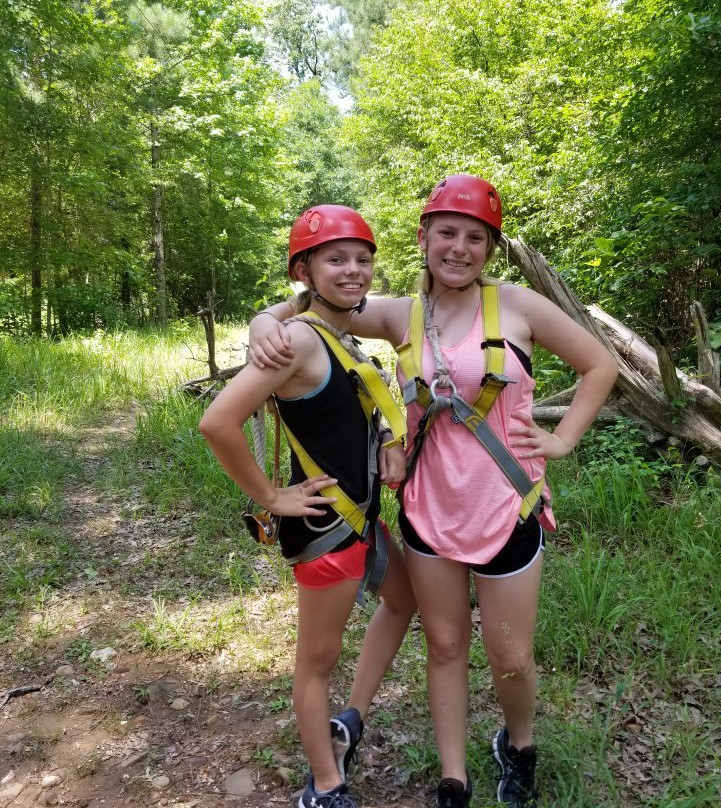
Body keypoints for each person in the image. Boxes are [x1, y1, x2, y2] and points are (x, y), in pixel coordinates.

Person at [248, 176, 618, 808]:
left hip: (505, 505)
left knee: (511, 657)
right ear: (423, 238)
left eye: (475, 237)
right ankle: (455, 779)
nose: (459, 248)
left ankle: (518, 745)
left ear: (490, 249)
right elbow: (319, 302)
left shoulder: (519, 307)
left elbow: (600, 364)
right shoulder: (401, 314)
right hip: (427, 509)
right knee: (445, 644)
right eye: (446, 232)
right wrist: (264, 316)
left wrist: (563, 439)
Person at [200, 204, 416, 808]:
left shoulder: (336, 330)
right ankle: (326, 785)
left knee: (405, 601)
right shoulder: (296, 340)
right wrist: (270, 496)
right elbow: (217, 422)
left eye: (363, 259)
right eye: (336, 259)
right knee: (315, 664)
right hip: (326, 530)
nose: (353, 270)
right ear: (305, 269)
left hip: (361, 520)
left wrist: (388, 442)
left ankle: (351, 718)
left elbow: (347, 414)